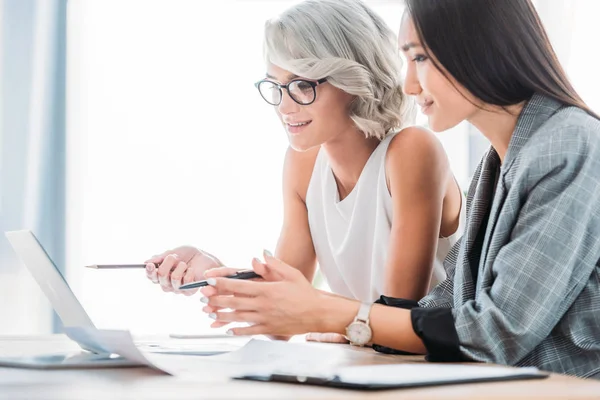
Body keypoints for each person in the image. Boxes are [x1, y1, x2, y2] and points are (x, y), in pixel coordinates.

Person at [201, 0, 600, 379]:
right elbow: (445, 308)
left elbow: (496, 332)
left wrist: (337, 314)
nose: (408, 85)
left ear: (479, 48)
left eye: (419, 58)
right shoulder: (497, 164)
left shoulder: (567, 143)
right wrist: (354, 324)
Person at [145, 0, 465, 342]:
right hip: (368, 366)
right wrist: (209, 270)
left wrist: (324, 321)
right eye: (276, 86)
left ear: (354, 79)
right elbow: (284, 302)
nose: (284, 106)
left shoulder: (412, 150)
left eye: (302, 84)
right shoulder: (303, 162)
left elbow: (400, 311)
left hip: (436, 368)